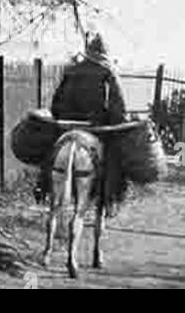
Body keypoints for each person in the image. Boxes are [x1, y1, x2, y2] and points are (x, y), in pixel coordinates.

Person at [36, 32, 128, 209]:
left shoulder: (71, 70)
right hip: (96, 127)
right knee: (113, 155)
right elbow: (118, 105)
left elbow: (56, 101)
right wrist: (117, 122)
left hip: (66, 124)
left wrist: (60, 116)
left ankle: (42, 185)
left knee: (50, 150)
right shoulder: (108, 72)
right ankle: (110, 197)